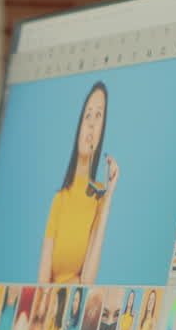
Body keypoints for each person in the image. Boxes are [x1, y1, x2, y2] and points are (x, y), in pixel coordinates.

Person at [38, 81, 121, 285]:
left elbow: (87, 280)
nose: (91, 123)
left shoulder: (98, 199)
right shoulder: (60, 199)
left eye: (98, 115)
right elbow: (42, 281)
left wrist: (108, 197)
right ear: (79, 128)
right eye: (87, 115)